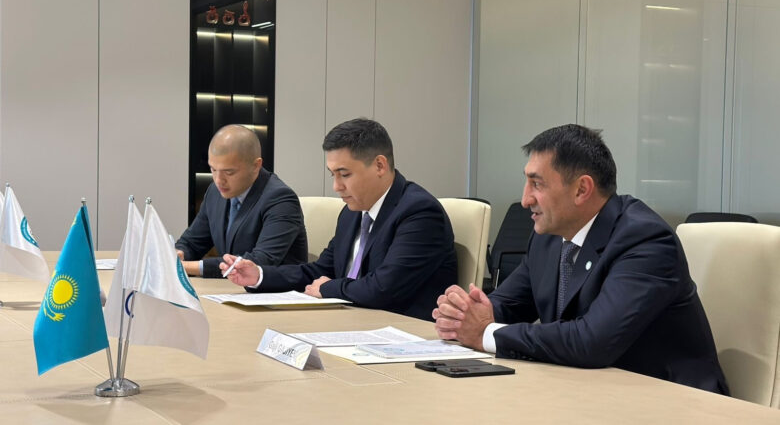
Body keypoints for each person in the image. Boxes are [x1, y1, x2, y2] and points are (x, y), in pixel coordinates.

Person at [432, 124, 729, 394]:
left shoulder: (645, 239)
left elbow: (592, 341)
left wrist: (485, 333)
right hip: (589, 389)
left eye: (537, 184)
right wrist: (465, 314)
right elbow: (509, 304)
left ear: (581, 189)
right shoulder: (548, 236)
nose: (525, 199)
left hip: (672, 398)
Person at [223, 118, 458, 321]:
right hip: (352, 322)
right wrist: (260, 275)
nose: (336, 186)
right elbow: (321, 270)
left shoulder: (420, 213)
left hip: (402, 333)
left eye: (344, 174)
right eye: (333, 175)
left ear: (379, 165)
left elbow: (383, 288)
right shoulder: (352, 212)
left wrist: (328, 288)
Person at [176, 125, 307, 278]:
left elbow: (259, 261)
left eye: (229, 172)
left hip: (275, 290)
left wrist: (184, 267)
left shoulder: (281, 199)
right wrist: (179, 253)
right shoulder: (215, 192)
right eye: (213, 169)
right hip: (231, 288)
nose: (218, 180)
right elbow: (192, 242)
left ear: (256, 165)